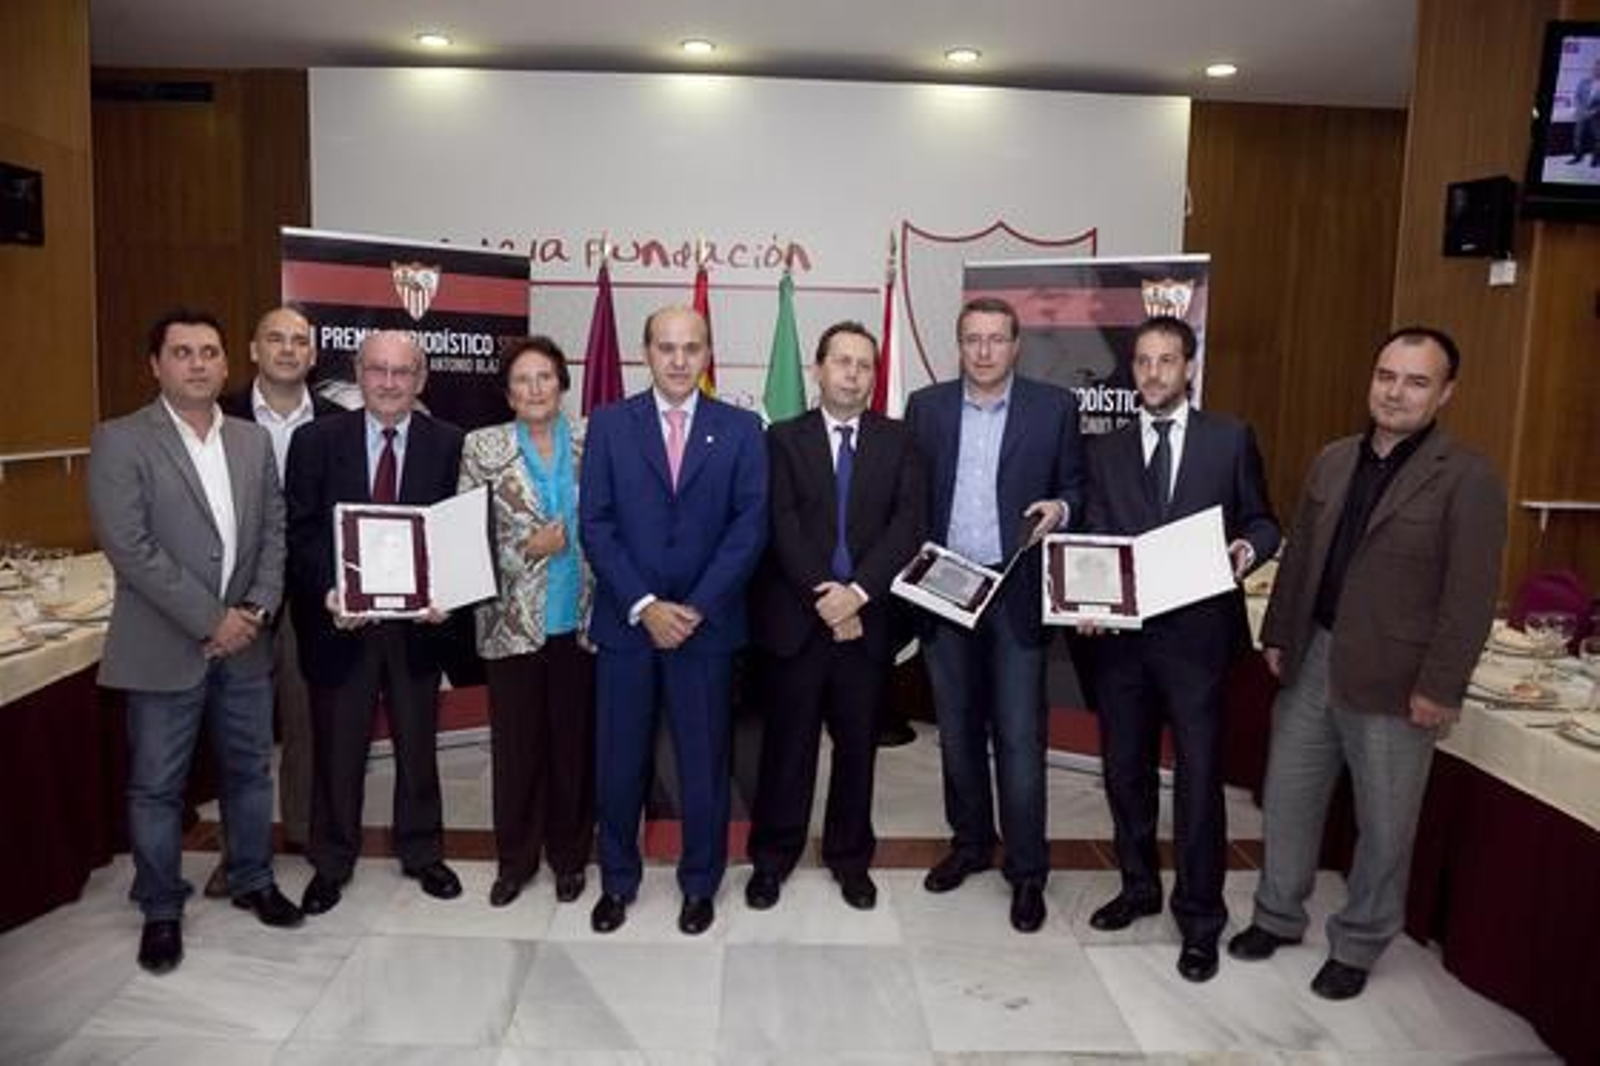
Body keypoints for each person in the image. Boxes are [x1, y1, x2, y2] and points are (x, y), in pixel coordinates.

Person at [1227, 326, 1507, 1000]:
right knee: (1289, 798)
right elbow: (1298, 560)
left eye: (1416, 381)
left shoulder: (1467, 479)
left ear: (1446, 393)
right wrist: (1280, 634)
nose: (1396, 391)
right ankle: (1277, 915)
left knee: (1385, 823)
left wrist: (1440, 685)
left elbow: (1470, 598)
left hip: (1397, 678)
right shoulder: (1333, 459)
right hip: (1313, 656)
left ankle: (1359, 941)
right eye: (1387, 375)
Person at [89, 309, 303, 975]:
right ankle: (160, 907)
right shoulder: (121, 440)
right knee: (157, 784)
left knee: (247, 770)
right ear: (156, 365)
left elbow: (274, 531)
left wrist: (257, 608)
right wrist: (211, 619)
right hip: (163, 645)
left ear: (226, 362)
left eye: (209, 352)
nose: (199, 364)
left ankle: (252, 878)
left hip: (247, 642)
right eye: (182, 353)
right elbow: (130, 547)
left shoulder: (249, 441)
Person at [1078, 315, 1280, 983]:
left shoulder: (1229, 439)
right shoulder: (1104, 450)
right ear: (1131, 369)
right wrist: (1088, 602)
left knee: (1197, 783)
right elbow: (1098, 536)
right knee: (1124, 772)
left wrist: (1245, 550)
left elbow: (1262, 519)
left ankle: (1200, 919)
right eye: (1143, 361)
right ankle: (1138, 888)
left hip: (1198, 643)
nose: (1154, 373)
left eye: (1168, 360)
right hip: (1123, 646)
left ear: (1189, 367)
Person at [579, 305, 767, 936]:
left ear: (708, 352)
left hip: (705, 628)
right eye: (666, 347)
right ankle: (618, 882)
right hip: (628, 626)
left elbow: (749, 527)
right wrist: (645, 606)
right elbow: (596, 525)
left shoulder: (742, 429)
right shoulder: (608, 425)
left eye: (692, 347)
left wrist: (695, 608)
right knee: (619, 763)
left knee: (703, 763)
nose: (679, 360)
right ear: (645, 352)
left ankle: (699, 884)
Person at [904, 295, 1086, 933]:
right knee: (955, 734)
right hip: (947, 590)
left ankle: (1027, 871)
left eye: (995, 339)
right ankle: (971, 845)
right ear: (959, 345)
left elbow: (1076, 487)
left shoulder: (1054, 408)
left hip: (1015, 594)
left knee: (1017, 739)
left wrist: (1059, 512)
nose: (983, 351)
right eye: (971, 339)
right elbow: (910, 496)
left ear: (1016, 346)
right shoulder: (925, 408)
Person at [745, 322, 926, 912]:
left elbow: (907, 524)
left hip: (866, 625)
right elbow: (782, 523)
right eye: (841, 361)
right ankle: (772, 859)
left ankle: (851, 860)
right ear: (818, 370)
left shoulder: (899, 441)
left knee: (857, 749)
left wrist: (859, 595)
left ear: (874, 377)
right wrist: (827, 598)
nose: (852, 373)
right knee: (787, 749)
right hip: (799, 622)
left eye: (863, 365)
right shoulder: (782, 439)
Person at [285, 330, 466, 915]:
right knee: (337, 749)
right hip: (344, 624)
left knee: (418, 746)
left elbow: (457, 533)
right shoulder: (315, 441)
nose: (390, 383)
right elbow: (302, 531)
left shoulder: (450, 444)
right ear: (358, 374)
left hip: (420, 626)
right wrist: (331, 592)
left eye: (403, 372)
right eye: (378, 370)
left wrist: (450, 591)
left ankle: (422, 851)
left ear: (421, 380)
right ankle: (331, 861)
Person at [197, 306, 339, 899]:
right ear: (252, 350)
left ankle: (307, 834)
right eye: (275, 339)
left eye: (299, 341)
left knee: (310, 724)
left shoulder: (337, 421)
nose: (287, 350)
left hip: (313, 598)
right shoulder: (214, 415)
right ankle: (240, 854)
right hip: (238, 603)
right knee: (243, 734)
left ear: (313, 353)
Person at [457, 337, 595, 908]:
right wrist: (528, 549)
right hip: (510, 623)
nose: (535, 389)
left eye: (545, 378)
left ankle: (569, 858)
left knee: (574, 750)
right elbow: (465, 537)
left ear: (562, 384)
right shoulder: (481, 446)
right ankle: (514, 861)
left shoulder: (595, 439)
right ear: (507, 392)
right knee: (517, 752)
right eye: (522, 380)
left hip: (584, 622)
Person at [1569, 57, 1600, 166]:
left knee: (1597, 138)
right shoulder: (1584, 82)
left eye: (1599, 67)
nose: (1597, 70)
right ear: (1593, 68)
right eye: (1596, 67)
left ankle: (1595, 159)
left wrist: (1593, 112)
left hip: (1596, 116)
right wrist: (1580, 109)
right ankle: (1577, 157)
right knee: (1577, 136)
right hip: (1581, 114)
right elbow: (1577, 96)